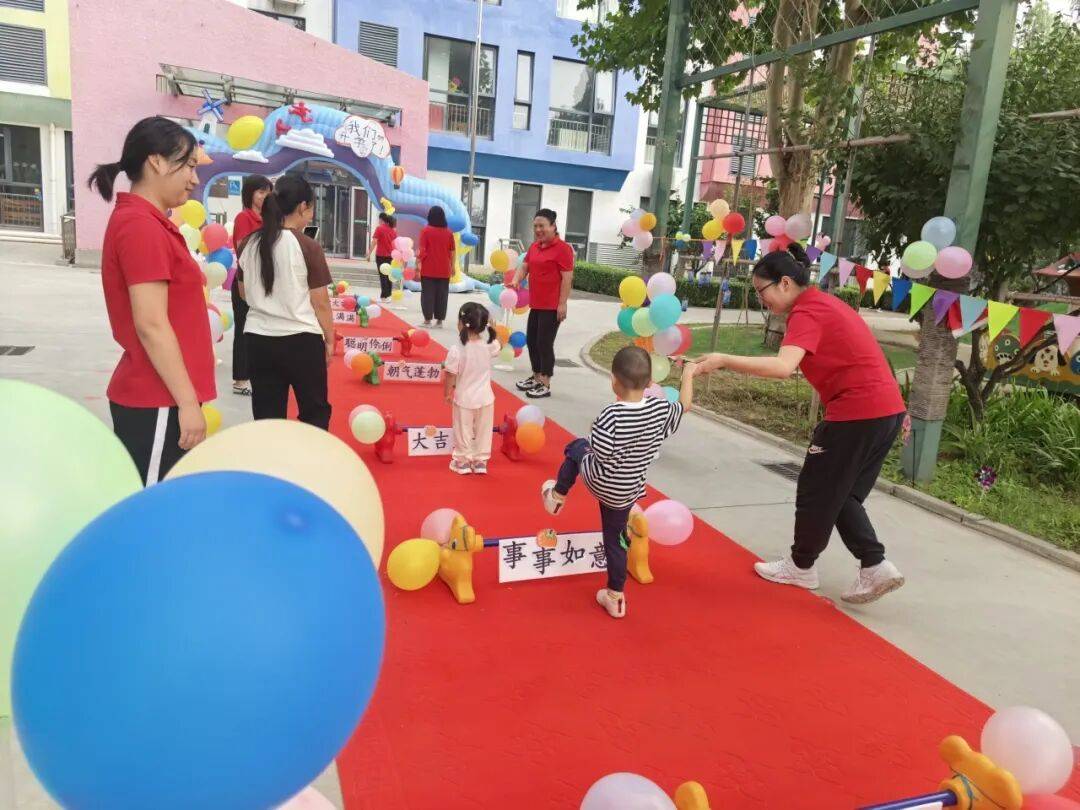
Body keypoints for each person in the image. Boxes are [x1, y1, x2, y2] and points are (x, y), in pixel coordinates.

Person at [692, 242, 907, 604]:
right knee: (844, 495)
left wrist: (723, 359)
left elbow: (782, 367)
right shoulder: (827, 303)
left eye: (762, 292)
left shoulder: (806, 313)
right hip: (886, 411)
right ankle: (874, 565)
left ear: (786, 284)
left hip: (856, 411)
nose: (762, 301)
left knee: (816, 490)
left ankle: (801, 566)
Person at [91, 116, 214, 485]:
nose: (195, 178)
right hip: (158, 398)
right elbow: (151, 323)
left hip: (164, 396)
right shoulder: (141, 226)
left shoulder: (150, 222)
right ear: (156, 161)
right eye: (189, 165)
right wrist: (187, 404)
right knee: (149, 510)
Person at [541, 347, 696, 619]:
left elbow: (598, 452)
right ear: (650, 383)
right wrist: (689, 373)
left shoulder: (610, 415)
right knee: (615, 540)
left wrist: (593, 433)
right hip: (627, 491)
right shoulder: (661, 410)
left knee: (577, 447)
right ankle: (615, 596)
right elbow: (685, 405)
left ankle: (557, 495)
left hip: (600, 480)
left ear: (613, 380)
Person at [236, 175, 335, 429]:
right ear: (303, 207)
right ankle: (307, 465)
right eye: (312, 208)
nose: (311, 214)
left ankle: (271, 465)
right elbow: (320, 302)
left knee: (267, 417)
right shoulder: (307, 246)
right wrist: (330, 339)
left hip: (258, 340)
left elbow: (244, 293)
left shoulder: (249, 243)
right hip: (301, 340)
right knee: (314, 413)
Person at [510, 208, 574, 399]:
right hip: (536, 303)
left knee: (544, 343)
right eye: (535, 226)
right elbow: (525, 266)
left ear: (553, 226)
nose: (538, 229)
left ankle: (545, 382)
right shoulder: (535, 246)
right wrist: (516, 279)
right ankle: (536, 376)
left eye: (542, 226)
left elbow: (567, 278)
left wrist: (562, 304)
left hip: (552, 305)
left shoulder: (563, 249)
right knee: (532, 341)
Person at [443, 301, 501, 475]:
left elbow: (450, 374)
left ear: (461, 323)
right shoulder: (489, 345)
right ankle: (480, 460)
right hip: (486, 398)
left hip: (464, 398)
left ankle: (462, 461)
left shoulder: (457, 349)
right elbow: (499, 343)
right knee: (483, 429)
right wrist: (493, 329)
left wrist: (447, 393)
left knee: (463, 429)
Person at [229, 174, 272, 396]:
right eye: (260, 191)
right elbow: (243, 250)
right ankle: (240, 379)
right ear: (250, 194)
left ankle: (254, 374)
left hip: (264, 281)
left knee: (259, 330)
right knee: (243, 330)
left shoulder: (269, 219)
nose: (265, 196)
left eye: (268, 191)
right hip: (245, 282)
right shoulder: (244, 218)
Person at [417, 205, 455, 328]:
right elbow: (452, 251)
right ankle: (439, 321)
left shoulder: (426, 231)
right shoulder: (449, 233)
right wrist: (452, 266)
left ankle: (427, 320)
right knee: (442, 296)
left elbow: (422, 250)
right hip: (444, 269)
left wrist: (418, 265)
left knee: (427, 295)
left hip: (428, 269)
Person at [369, 211, 397, 303]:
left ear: (381, 219)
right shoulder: (393, 230)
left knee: (383, 276)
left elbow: (374, 241)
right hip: (391, 256)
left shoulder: (379, 228)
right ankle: (387, 296)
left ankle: (384, 296)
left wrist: (369, 253)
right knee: (389, 276)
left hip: (381, 255)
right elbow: (395, 244)